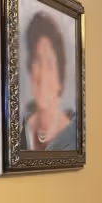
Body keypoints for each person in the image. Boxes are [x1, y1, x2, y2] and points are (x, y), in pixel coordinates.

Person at [22, 11, 77, 151]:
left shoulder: (74, 136)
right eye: (36, 61)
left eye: (49, 65)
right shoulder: (17, 131)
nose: (40, 74)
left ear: (61, 76)